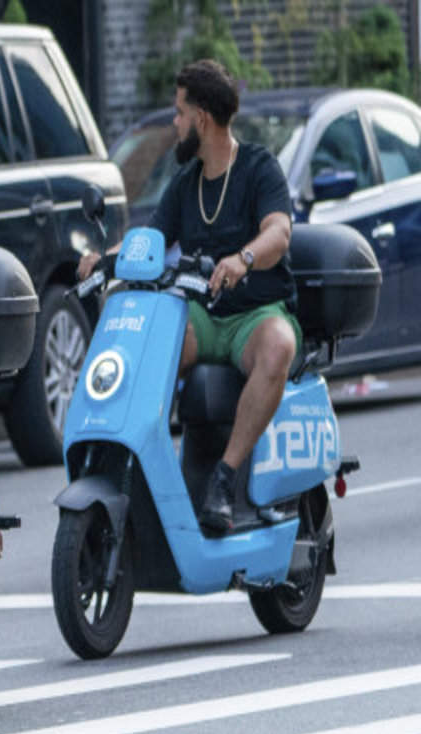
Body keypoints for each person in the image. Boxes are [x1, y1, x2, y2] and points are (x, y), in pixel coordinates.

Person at [78, 59, 298, 534]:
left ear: (200, 118)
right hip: (199, 316)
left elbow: (278, 232)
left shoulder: (259, 167)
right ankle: (135, 472)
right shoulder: (185, 184)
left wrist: (244, 258)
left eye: (179, 113)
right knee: (142, 352)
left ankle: (224, 477)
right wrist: (103, 258)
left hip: (253, 316)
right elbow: (148, 241)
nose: (174, 124)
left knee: (280, 345)